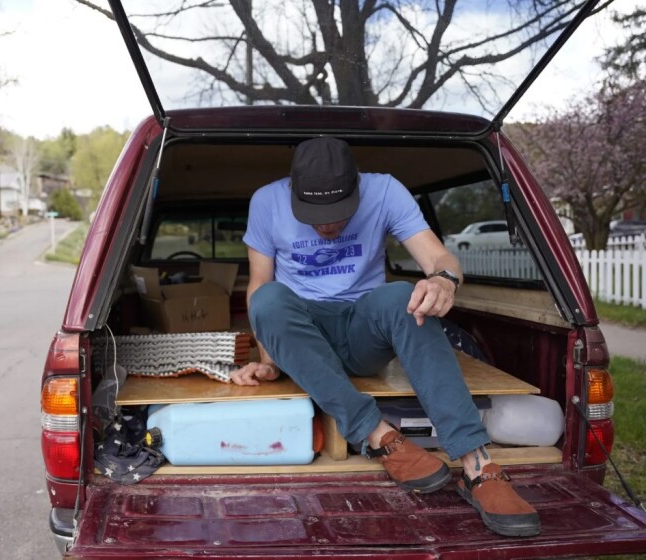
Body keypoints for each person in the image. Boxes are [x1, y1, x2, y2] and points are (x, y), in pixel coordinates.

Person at [229, 136, 540, 537]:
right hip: (303, 336)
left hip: (363, 330)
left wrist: (443, 282)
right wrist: (269, 361)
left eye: (338, 215)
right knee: (268, 299)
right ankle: (378, 436)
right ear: (293, 191)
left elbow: (441, 259)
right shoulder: (266, 202)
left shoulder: (386, 190)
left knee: (403, 296)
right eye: (314, 215)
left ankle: (479, 468)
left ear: (357, 188)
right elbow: (258, 287)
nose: (326, 225)